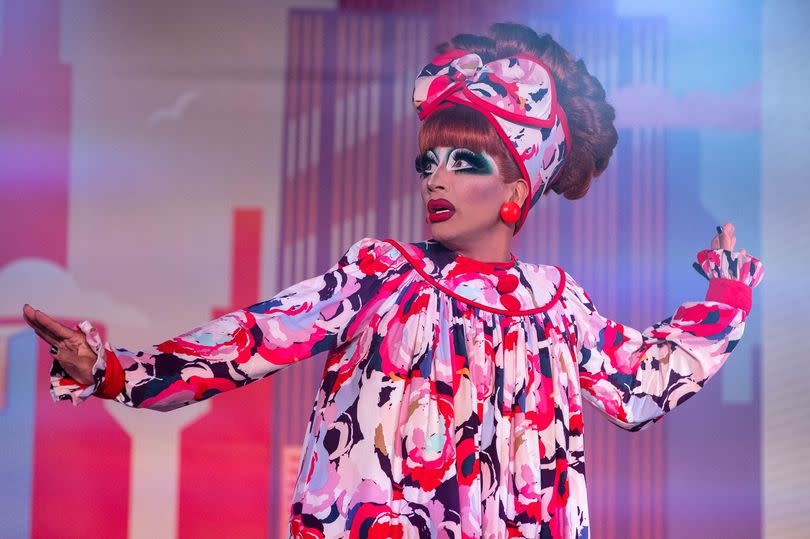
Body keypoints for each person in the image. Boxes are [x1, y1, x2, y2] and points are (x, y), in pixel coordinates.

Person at [22, 23, 763, 539]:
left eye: (464, 160)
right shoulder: (383, 274)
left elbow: (640, 385)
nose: (436, 177)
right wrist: (115, 370)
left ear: (516, 191)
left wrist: (725, 297)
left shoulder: (557, 305)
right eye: (428, 160)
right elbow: (251, 339)